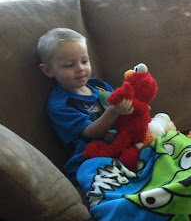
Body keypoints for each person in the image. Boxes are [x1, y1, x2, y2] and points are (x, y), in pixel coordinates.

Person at [38, 27, 133, 181]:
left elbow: (121, 109)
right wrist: (113, 111)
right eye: (69, 65)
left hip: (120, 144)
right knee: (95, 172)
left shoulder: (98, 85)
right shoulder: (60, 106)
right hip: (90, 159)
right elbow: (91, 132)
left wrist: (132, 108)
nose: (80, 68)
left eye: (84, 61)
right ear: (48, 70)